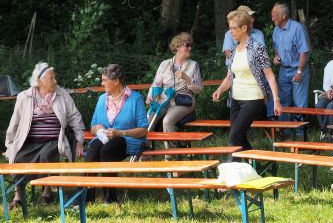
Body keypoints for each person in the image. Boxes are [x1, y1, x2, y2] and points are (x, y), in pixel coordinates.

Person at [4, 62, 84, 208]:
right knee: (18, 157)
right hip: (30, 141)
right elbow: (14, 123)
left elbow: (75, 117)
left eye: (54, 78)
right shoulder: (24, 97)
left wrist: (79, 140)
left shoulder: (62, 94)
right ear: (39, 80)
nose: (55, 81)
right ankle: (19, 196)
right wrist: (10, 146)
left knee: (47, 155)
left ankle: (47, 193)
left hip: (54, 140)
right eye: (51, 78)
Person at [213, 9, 282, 151]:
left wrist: (276, 100)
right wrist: (219, 89)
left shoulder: (257, 48)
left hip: (253, 98)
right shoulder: (232, 50)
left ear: (244, 28)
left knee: (234, 136)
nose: (230, 31)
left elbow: (270, 75)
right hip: (235, 99)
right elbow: (229, 77)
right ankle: (255, 168)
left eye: (233, 28)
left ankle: (229, 169)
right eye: (229, 28)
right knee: (240, 137)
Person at [86, 64, 148, 201]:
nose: (102, 83)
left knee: (107, 150)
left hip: (128, 140)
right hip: (104, 139)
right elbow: (92, 127)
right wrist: (98, 128)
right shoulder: (102, 99)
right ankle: (85, 197)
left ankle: (110, 197)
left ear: (116, 81)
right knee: (93, 150)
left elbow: (143, 129)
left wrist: (120, 133)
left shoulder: (135, 98)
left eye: (104, 80)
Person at [147, 32, 202, 137]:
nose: (190, 48)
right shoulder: (165, 64)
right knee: (147, 121)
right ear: (177, 47)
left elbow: (198, 88)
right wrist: (150, 97)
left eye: (190, 46)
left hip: (183, 101)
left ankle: (170, 153)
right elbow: (156, 84)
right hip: (164, 99)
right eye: (187, 45)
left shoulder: (193, 65)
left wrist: (186, 78)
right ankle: (145, 152)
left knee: (167, 121)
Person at [271, 2, 310, 115]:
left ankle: (300, 132)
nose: (272, 18)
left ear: (283, 16)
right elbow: (276, 48)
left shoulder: (297, 28)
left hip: (298, 68)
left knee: (300, 102)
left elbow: (304, 52)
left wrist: (299, 71)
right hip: (283, 69)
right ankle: (284, 131)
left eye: (274, 15)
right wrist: (276, 57)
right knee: (282, 100)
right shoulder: (276, 30)